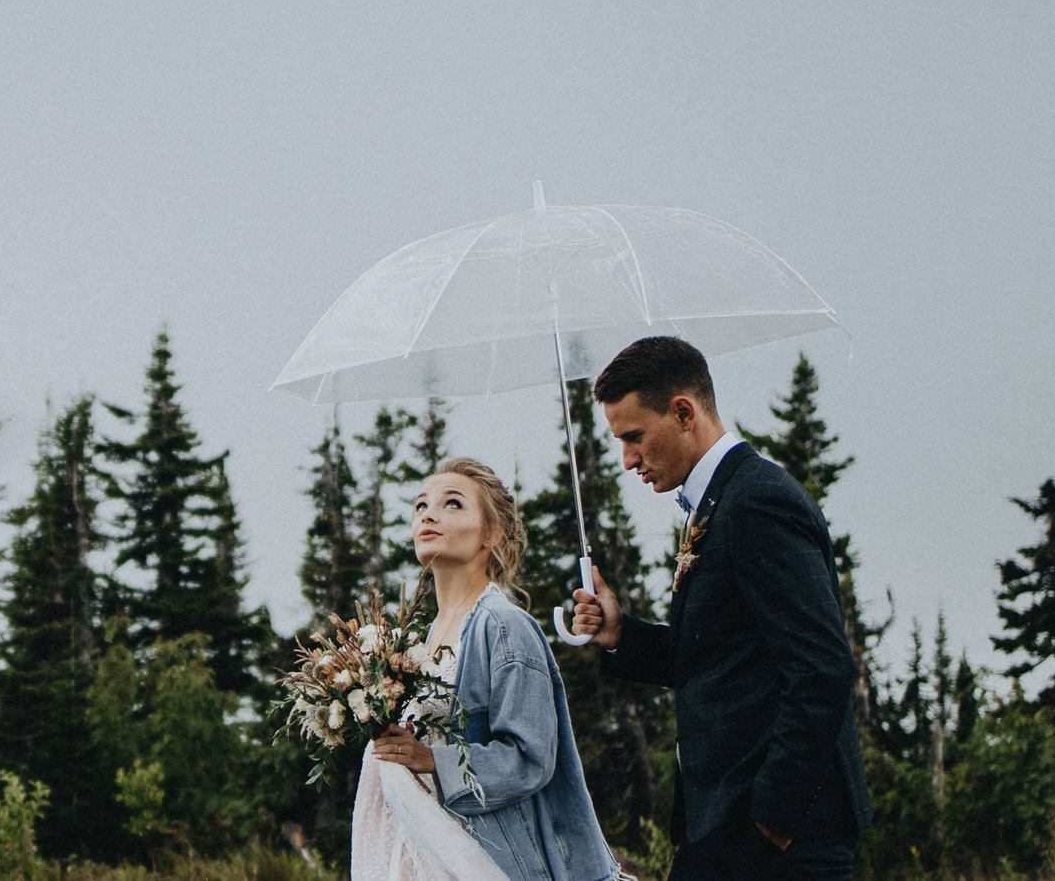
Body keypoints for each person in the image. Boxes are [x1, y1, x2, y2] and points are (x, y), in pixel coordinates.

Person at [570, 337, 871, 881]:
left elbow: (823, 668)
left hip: (776, 840)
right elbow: (721, 659)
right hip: (722, 827)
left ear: (683, 412)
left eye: (634, 437)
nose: (627, 459)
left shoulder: (757, 501)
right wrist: (621, 636)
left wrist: (769, 825)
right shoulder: (718, 502)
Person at [365, 457, 617, 881]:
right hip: (429, 848)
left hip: (491, 858)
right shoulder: (423, 639)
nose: (429, 513)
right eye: (421, 505)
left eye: (453, 504)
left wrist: (431, 759)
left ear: (492, 533)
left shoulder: (503, 625)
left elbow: (530, 758)